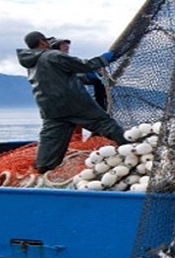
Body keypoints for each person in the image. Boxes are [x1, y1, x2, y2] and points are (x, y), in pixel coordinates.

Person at [18, 31, 128, 173]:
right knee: (104, 123)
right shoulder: (53, 55)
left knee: (50, 140)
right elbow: (86, 65)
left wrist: (89, 77)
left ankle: (42, 170)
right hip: (74, 104)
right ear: (42, 41)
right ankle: (132, 147)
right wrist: (105, 58)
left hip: (49, 108)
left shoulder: (31, 63)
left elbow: (63, 76)